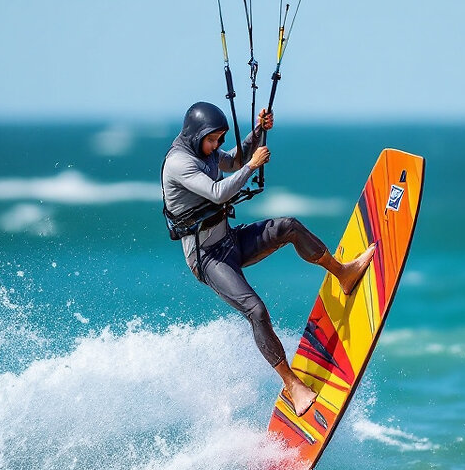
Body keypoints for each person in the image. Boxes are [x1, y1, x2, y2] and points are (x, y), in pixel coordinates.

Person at [160, 101, 376, 417]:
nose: (216, 146)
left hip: (228, 240)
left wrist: (258, 131)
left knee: (288, 226)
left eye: (219, 139)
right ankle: (291, 384)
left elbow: (233, 160)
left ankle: (342, 272)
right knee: (256, 310)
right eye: (213, 139)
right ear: (196, 135)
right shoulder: (180, 163)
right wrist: (252, 166)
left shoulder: (205, 152)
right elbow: (220, 192)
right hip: (207, 259)